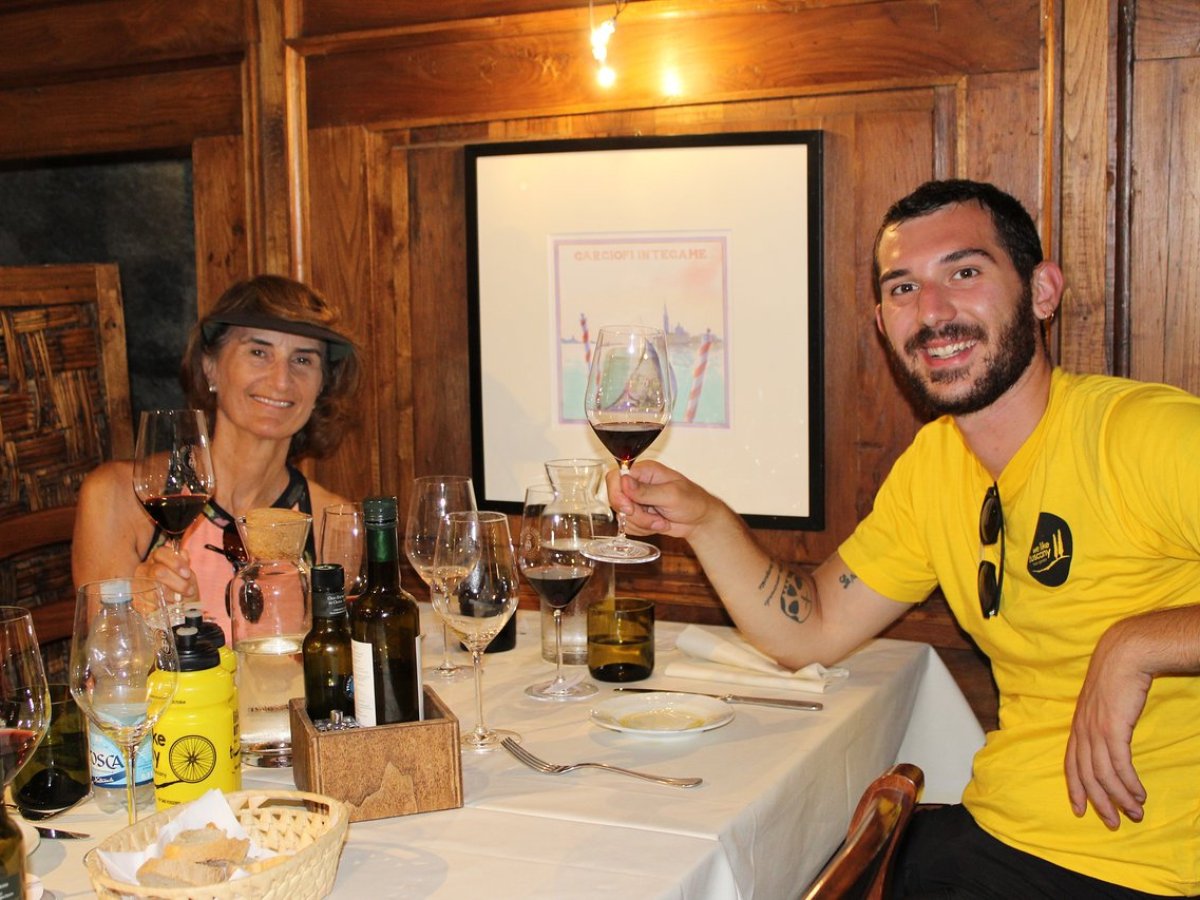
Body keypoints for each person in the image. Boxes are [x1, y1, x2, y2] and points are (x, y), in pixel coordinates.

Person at [607, 180, 1200, 898]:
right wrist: (704, 520)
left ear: (1043, 292)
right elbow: (813, 628)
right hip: (999, 835)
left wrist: (1137, 645)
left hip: (1150, 871)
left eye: (965, 272)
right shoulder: (934, 464)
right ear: (882, 325)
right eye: (902, 288)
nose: (933, 311)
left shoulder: (1144, 434)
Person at [73, 275, 362, 642]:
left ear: (323, 384)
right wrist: (137, 609)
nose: (281, 380)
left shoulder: (329, 521)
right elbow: (104, 668)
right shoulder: (120, 497)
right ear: (210, 366)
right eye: (258, 352)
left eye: (302, 360)